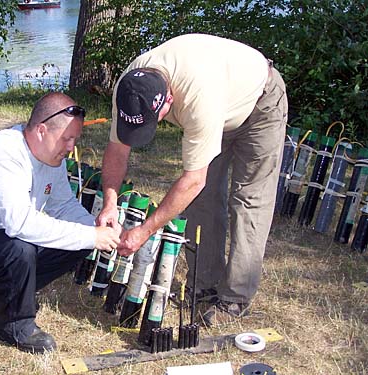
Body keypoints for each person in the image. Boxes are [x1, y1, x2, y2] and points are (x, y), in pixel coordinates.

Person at [96, 33, 288, 326]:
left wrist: (145, 230)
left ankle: (234, 298)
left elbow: (192, 179)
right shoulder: (130, 87)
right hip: (220, 99)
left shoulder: (199, 96)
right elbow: (117, 150)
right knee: (203, 201)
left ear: (169, 100)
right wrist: (110, 203)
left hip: (259, 103)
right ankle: (203, 285)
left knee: (248, 201)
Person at [0, 92, 120, 353]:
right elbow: (19, 224)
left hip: (4, 240)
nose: (71, 147)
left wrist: (97, 230)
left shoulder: (51, 157)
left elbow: (63, 205)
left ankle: (2, 288)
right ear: (42, 130)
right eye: (67, 139)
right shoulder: (3, 153)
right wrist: (93, 236)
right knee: (19, 247)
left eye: (75, 139)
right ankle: (15, 326)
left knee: (81, 237)